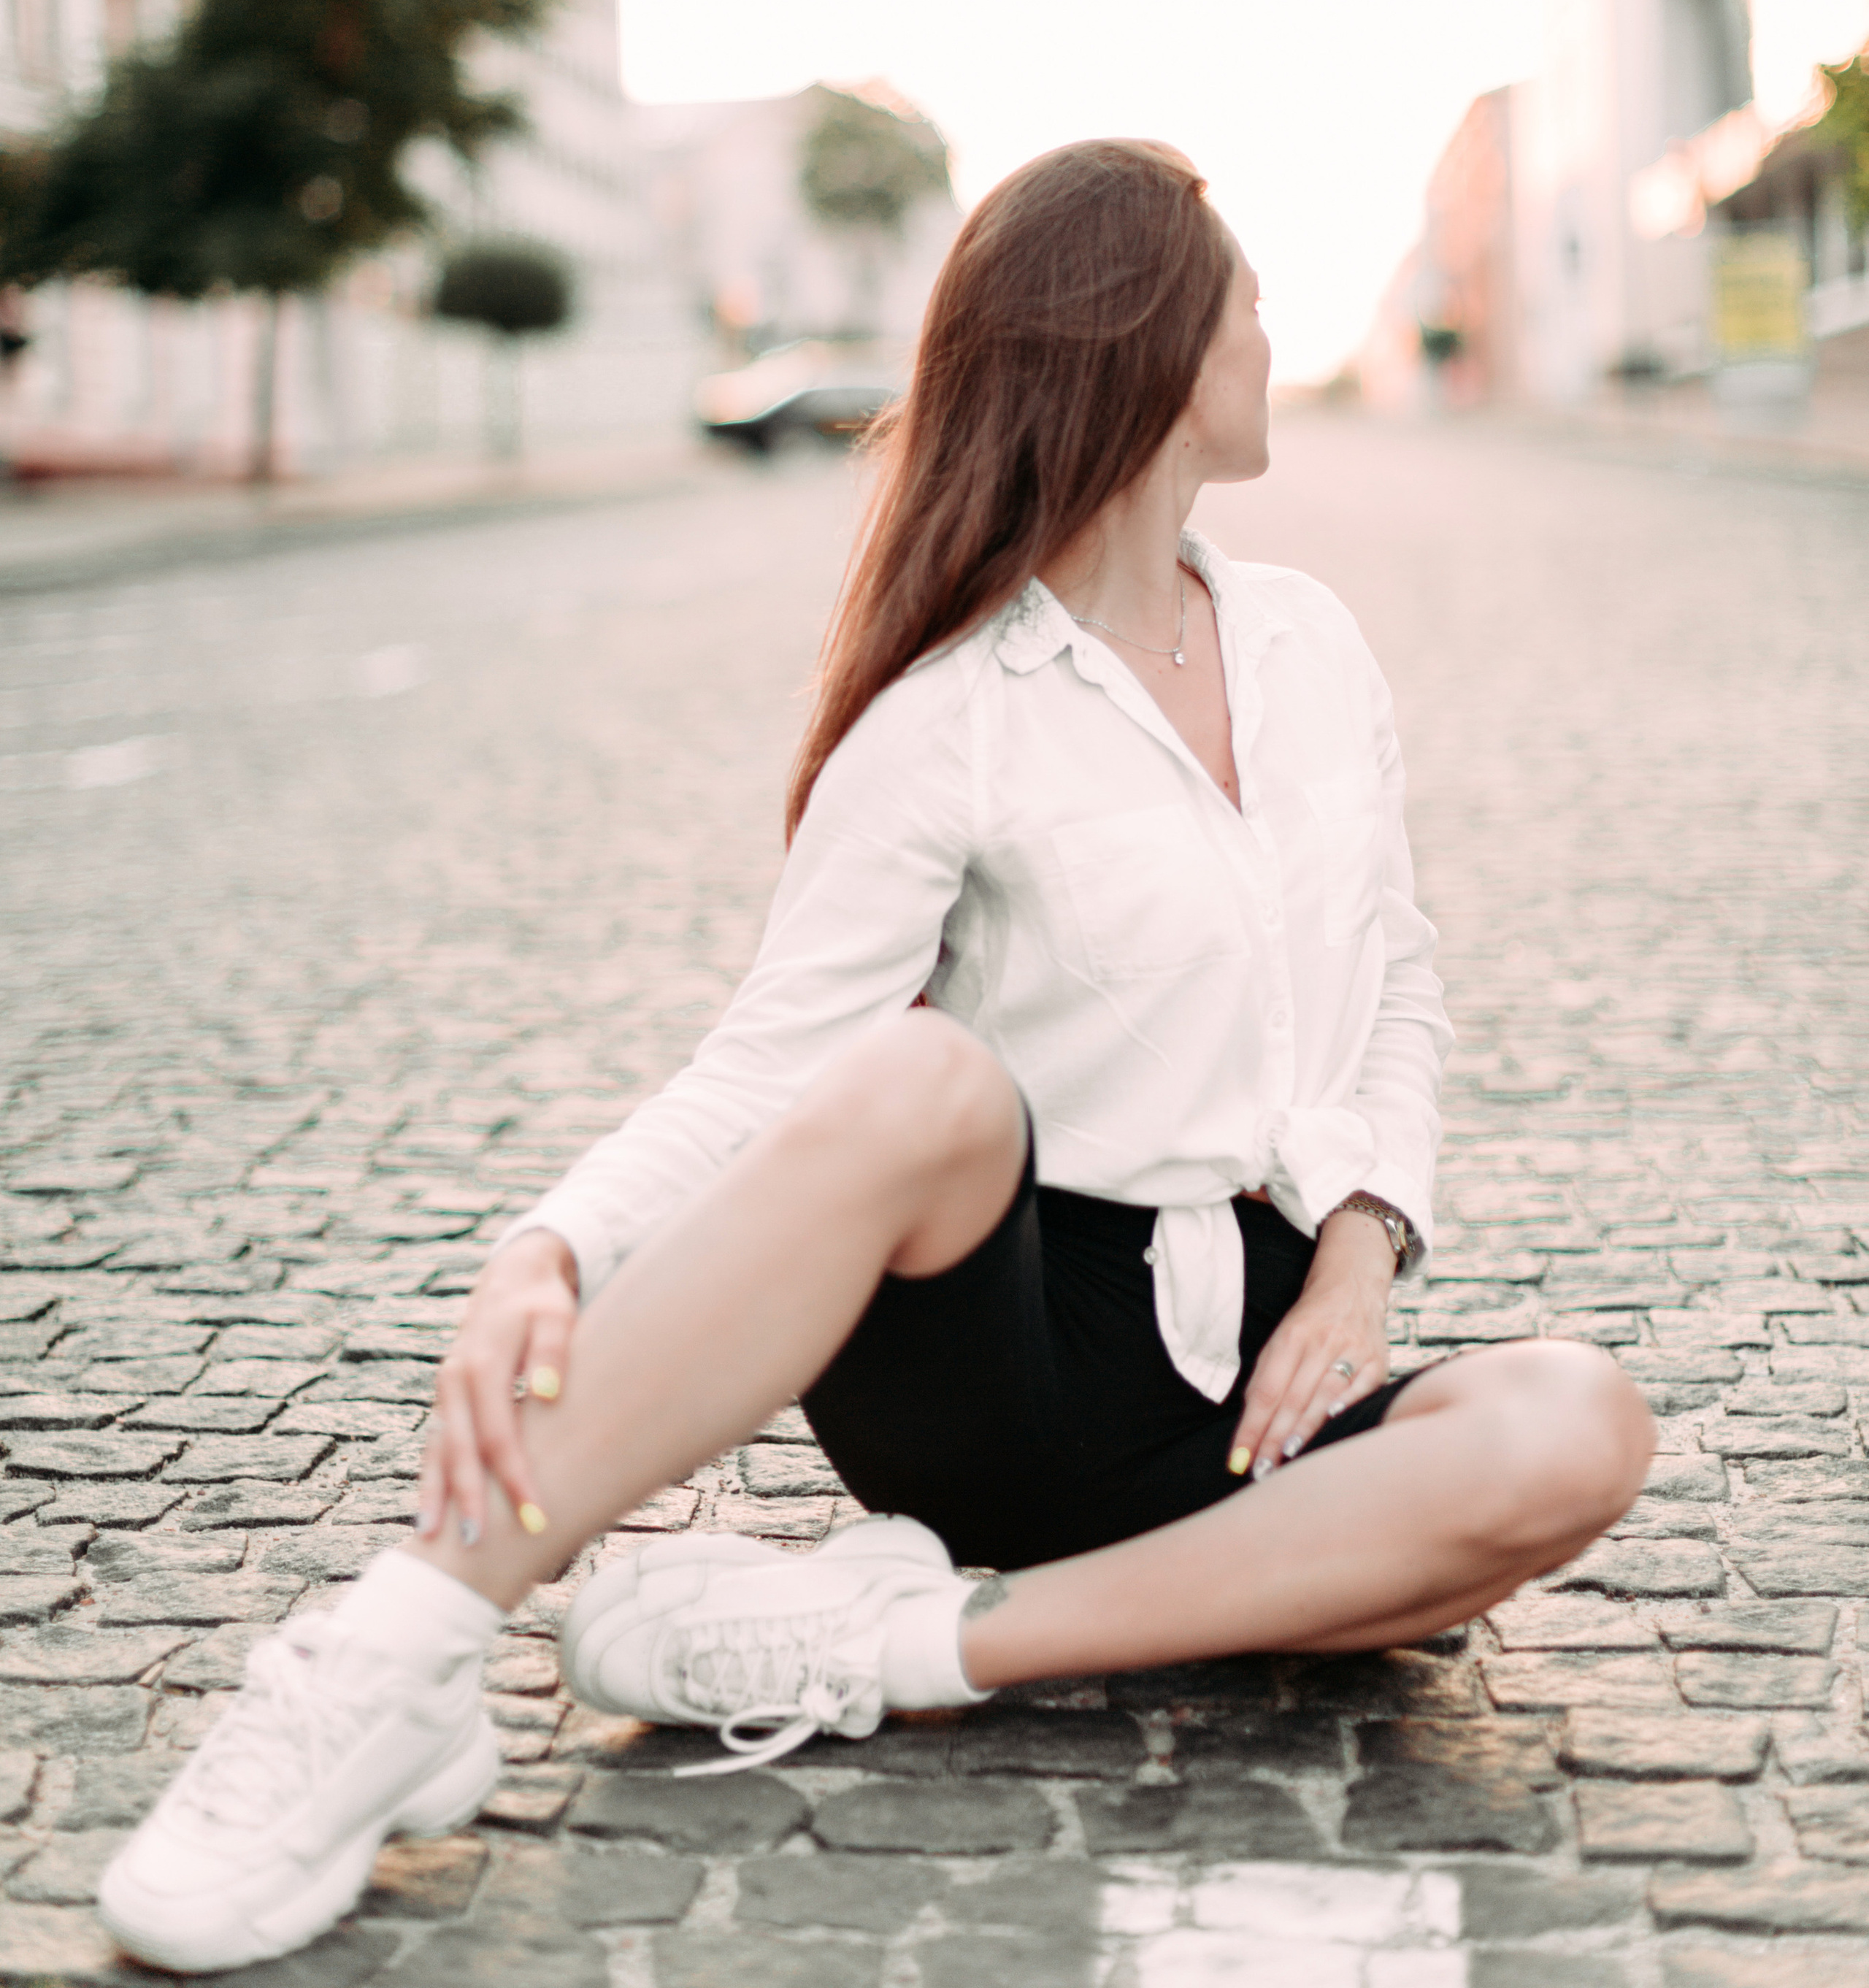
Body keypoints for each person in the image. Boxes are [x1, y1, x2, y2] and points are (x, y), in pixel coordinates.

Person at [101, 141, 1654, 1974]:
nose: (1266, 325)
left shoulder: (1309, 645)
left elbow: (1393, 972)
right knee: (925, 1078)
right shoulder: (949, 726)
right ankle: (398, 1655)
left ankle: (895, 1646)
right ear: (1153, 346)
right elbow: (775, 1064)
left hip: (1255, 1349)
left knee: (1573, 1430)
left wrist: (1360, 1248)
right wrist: (553, 1246)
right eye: (1240, 296)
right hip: (1007, 1347)